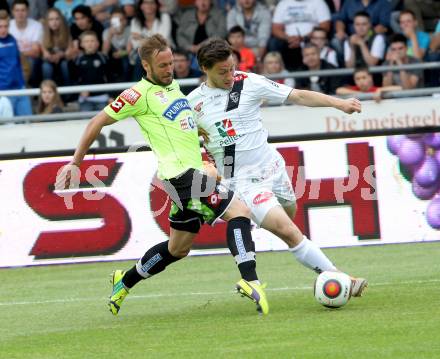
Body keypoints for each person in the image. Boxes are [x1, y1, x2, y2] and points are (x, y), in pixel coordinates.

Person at [55, 34, 270, 316]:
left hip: (187, 174)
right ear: (146, 66)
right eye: (163, 65)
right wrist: (76, 162)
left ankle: (125, 280)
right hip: (181, 175)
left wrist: (198, 132)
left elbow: (177, 125)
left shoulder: (174, 87)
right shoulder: (137, 95)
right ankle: (250, 279)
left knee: (178, 248)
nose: (170, 69)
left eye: (171, 63)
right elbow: (97, 121)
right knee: (239, 212)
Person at [188, 37, 368, 299]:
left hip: (274, 168)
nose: (230, 76)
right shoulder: (192, 105)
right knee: (289, 231)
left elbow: (298, 95)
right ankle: (341, 278)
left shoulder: (249, 83)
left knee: (289, 214)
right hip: (244, 182)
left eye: (232, 68)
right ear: (205, 69)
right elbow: (183, 143)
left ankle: (253, 222)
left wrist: (338, 103)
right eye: (222, 72)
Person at [270, 0, 331, 71]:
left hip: (311, 38)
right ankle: (283, 74)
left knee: (318, 38)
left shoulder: (318, 2)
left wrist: (303, 38)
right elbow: (275, 28)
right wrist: (288, 38)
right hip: (288, 40)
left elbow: (325, 26)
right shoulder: (283, 3)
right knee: (274, 43)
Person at [0, 9, 32, 116]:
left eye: (6, 26)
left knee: (29, 123)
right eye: (0, 26)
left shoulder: (12, 39)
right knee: (9, 128)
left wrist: (23, 80)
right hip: (3, 92)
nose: (3, 29)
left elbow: (20, 62)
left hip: (19, 88)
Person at [9, 0, 43, 87]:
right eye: (17, 10)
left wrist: (19, 54)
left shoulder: (37, 26)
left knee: (31, 61)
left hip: (30, 59)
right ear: (12, 12)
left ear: (28, 11)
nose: (20, 13)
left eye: (23, 10)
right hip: (12, 58)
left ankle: (26, 87)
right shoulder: (7, 26)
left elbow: (36, 52)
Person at [73, 31, 109, 111]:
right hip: (85, 99)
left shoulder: (103, 58)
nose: (89, 44)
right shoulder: (78, 59)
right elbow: (74, 78)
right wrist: (80, 91)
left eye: (92, 41)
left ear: (98, 43)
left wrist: (111, 96)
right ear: (81, 44)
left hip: (102, 97)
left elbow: (110, 77)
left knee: (104, 121)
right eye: (86, 41)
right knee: (85, 120)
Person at [41, 8, 75, 86]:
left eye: (57, 19)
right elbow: (44, 53)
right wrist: (49, 56)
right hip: (50, 61)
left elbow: (69, 52)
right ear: (47, 22)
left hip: (64, 60)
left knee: (64, 65)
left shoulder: (67, 32)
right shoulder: (43, 33)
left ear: (61, 20)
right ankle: (47, 88)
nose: (54, 22)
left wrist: (60, 55)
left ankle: (68, 90)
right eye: (51, 19)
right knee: (46, 66)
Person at [336, 66, 401, 101]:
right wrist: (362, 94)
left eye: (364, 78)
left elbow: (399, 88)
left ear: (370, 78)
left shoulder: (375, 90)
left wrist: (380, 90)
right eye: (357, 79)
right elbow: (339, 90)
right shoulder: (355, 89)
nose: (361, 81)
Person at [102, 7, 131, 82]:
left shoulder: (130, 30)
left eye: (120, 20)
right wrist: (110, 36)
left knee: (125, 60)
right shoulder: (107, 32)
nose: (117, 23)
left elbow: (131, 50)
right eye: (115, 20)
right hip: (113, 58)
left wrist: (123, 53)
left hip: (128, 56)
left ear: (125, 21)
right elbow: (104, 53)